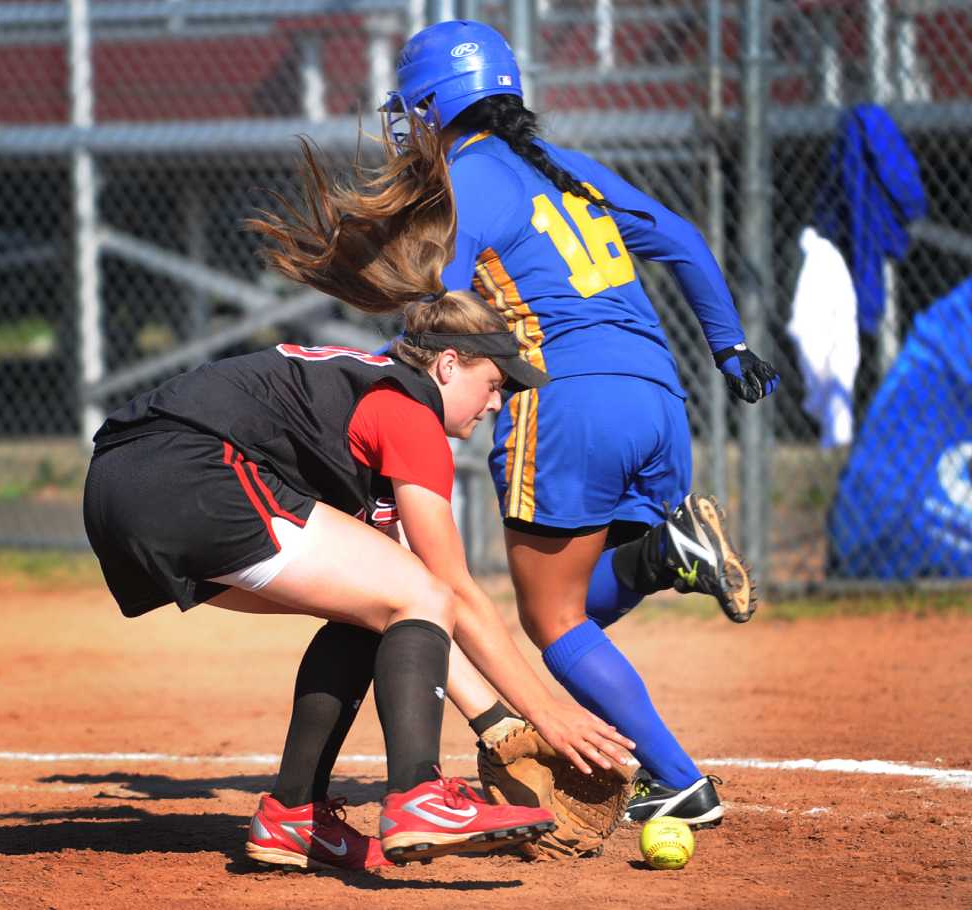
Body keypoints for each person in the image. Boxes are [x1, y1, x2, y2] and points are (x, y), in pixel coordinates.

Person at [82, 115, 632, 872]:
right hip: (189, 469)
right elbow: (452, 592)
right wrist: (547, 714)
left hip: (125, 485)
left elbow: (413, 612)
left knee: (375, 611)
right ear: (446, 365)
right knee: (418, 589)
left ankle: (290, 815)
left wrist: (498, 726)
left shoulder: (367, 406)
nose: (498, 405)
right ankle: (418, 795)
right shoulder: (406, 409)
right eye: (494, 384)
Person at [382, 20, 781, 829]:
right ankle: (661, 556)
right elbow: (685, 241)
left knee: (549, 619)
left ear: (433, 108)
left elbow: (443, 312)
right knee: (575, 603)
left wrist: (380, 385)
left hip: (566, 399)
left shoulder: (467, 182)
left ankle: (677, 780)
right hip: (659, 395)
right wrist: (730, 346)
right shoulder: (565, 169)